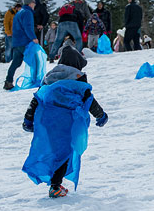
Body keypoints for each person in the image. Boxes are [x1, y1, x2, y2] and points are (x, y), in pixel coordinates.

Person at [21, 41, 107, 198]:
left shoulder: (49, 77)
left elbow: (37, 99)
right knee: (65, 153)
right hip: (67, 124)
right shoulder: (78, 79)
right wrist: (101, 115)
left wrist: (28, 119)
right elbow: (89, 100)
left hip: (48, 123)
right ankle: (55, 186)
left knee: (54, 152)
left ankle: (56, 183)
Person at [4, 0, 38, 90]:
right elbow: (27, 27)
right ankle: (35, 80)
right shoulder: (27, 13)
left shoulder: (18, 13)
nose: (35, 4)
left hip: (16, 42)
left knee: (16, 63)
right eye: (34, 2)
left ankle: (8, 81)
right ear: (30, 3)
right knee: (34, 61)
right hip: (25, 42)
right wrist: (33, 38)